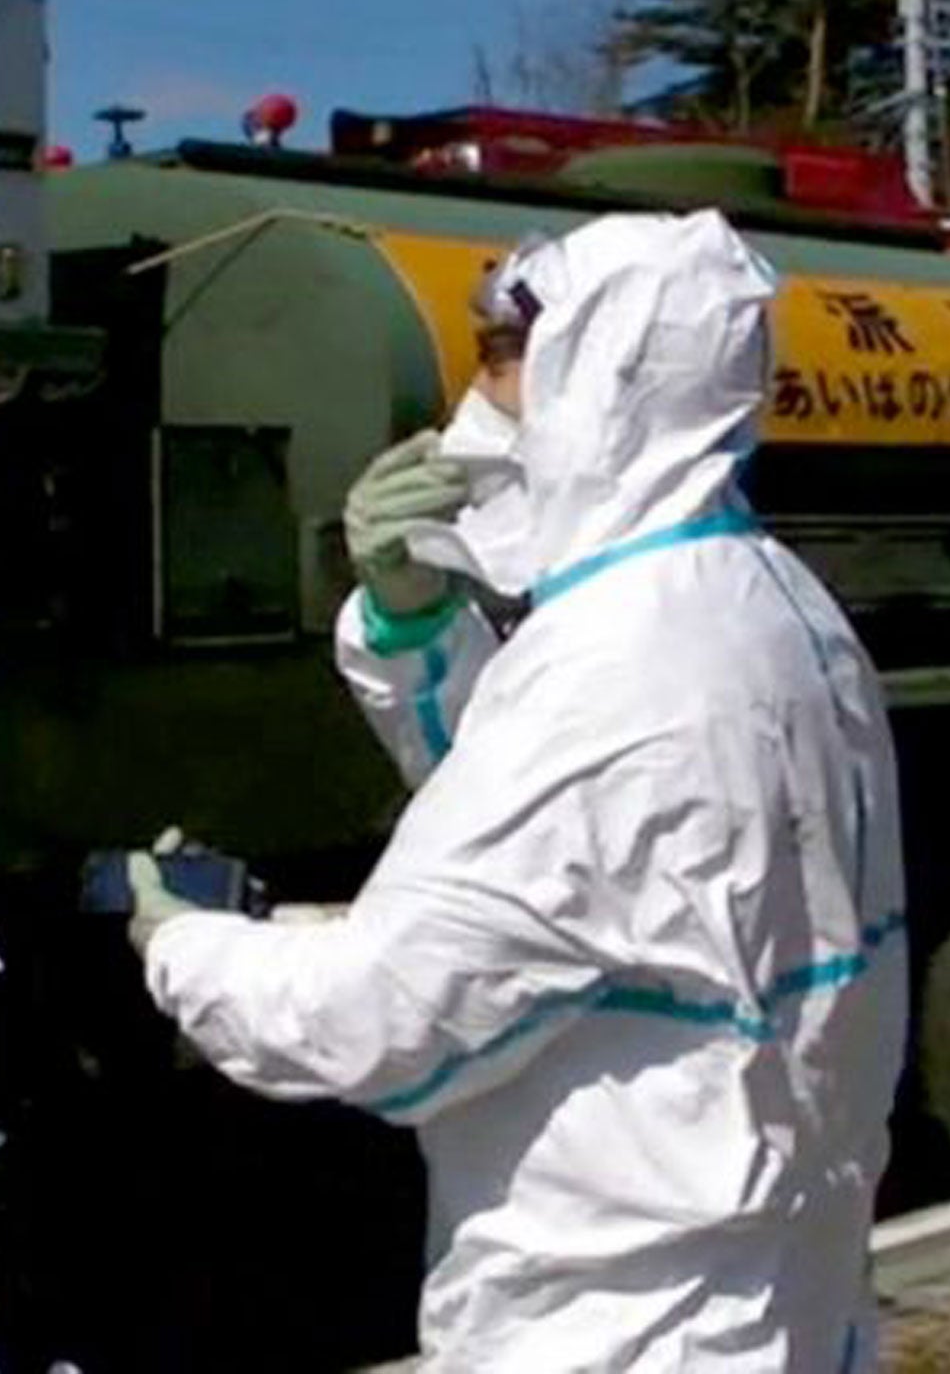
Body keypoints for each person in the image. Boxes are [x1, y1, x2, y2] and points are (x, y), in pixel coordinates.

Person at [126, 210, 907, 1371]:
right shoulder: (751, 600)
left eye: (506, 373)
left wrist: (184, 945)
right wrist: (413, 625)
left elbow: (378, 1019)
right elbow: (549, 832)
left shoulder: (615, 678)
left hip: (619, 1323)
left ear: (604, 387)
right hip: (769, 1291)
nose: (477, 422)